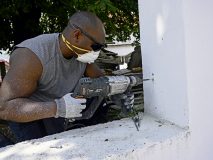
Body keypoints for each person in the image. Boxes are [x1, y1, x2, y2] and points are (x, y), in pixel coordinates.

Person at [0, 11, 134, 147]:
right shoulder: (31, 56)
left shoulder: (81, 54)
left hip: (53, 112)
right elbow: (4, 108)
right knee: (42, 152)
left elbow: (100, 80)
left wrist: (116, 92)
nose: (97, 52)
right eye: (96, 47)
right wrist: (57, 107)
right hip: (26, 117)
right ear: (77, 35)